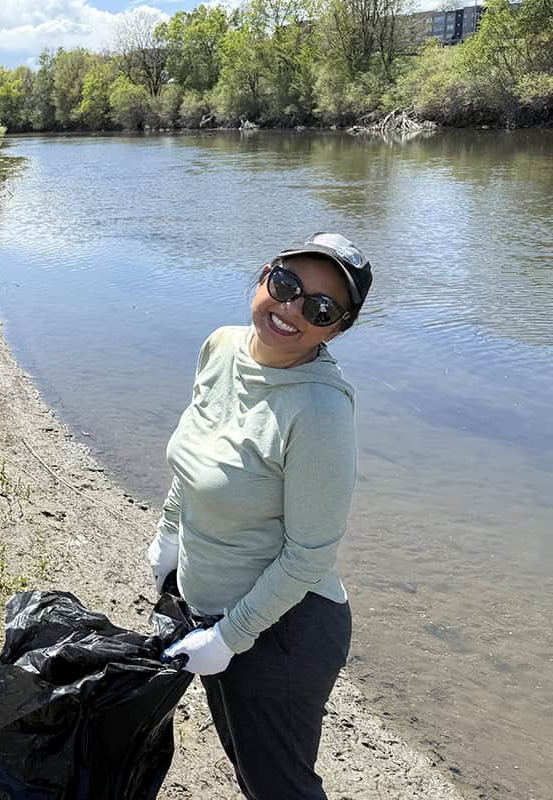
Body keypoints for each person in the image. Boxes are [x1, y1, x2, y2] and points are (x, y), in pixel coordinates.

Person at [149, 233, 374, 799]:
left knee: (280, 787)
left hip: (283, 632)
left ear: (337, 328)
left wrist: (231, 635)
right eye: (287, 285)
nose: (292, 309)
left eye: (320, 308)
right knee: (249, 768)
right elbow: (197, 453)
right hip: (209, 609)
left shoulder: (320, 408)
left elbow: (310, 555)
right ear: (264, 275)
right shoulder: (221, 346)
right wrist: (170, 534)